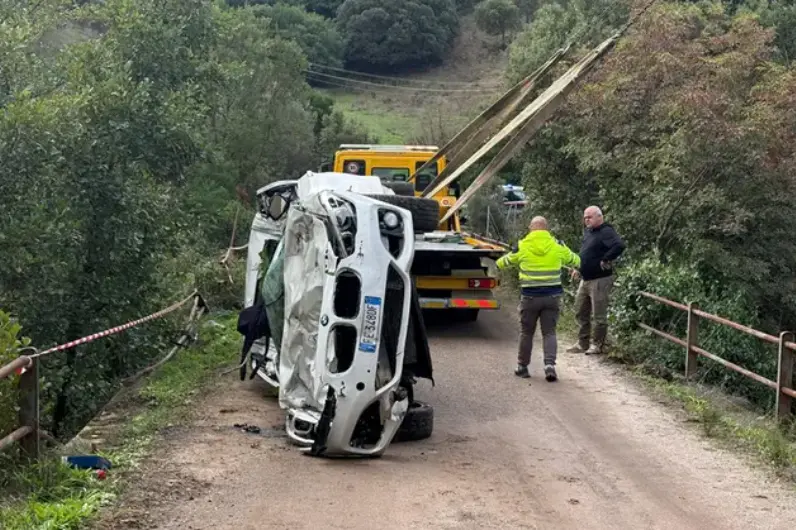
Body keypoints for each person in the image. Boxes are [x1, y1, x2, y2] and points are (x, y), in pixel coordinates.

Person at [496, 216, 581, 382]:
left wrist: (506, 257)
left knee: (526, 332)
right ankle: (549, 366)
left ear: (530, 228)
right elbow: (576, 260)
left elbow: (502, 263)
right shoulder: (557, 245)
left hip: (530, 297)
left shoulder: (522, 246)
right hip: (552, 297)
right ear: (546, 229)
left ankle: (522, 367)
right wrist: (565, 251)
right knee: (549, 332)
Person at [567, 206, 625, 355]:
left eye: (590, 217)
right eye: (585, 217)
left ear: (599, 217)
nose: (586, 220)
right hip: (585, 278)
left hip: (600, 279)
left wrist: (606, 258)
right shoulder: (588, 232)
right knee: (580, 311)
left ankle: (597, 344)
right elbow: (586, 254)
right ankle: (582, 343)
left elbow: (619, 245)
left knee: (599, 314)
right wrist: (578, 268)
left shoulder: (606, 231)